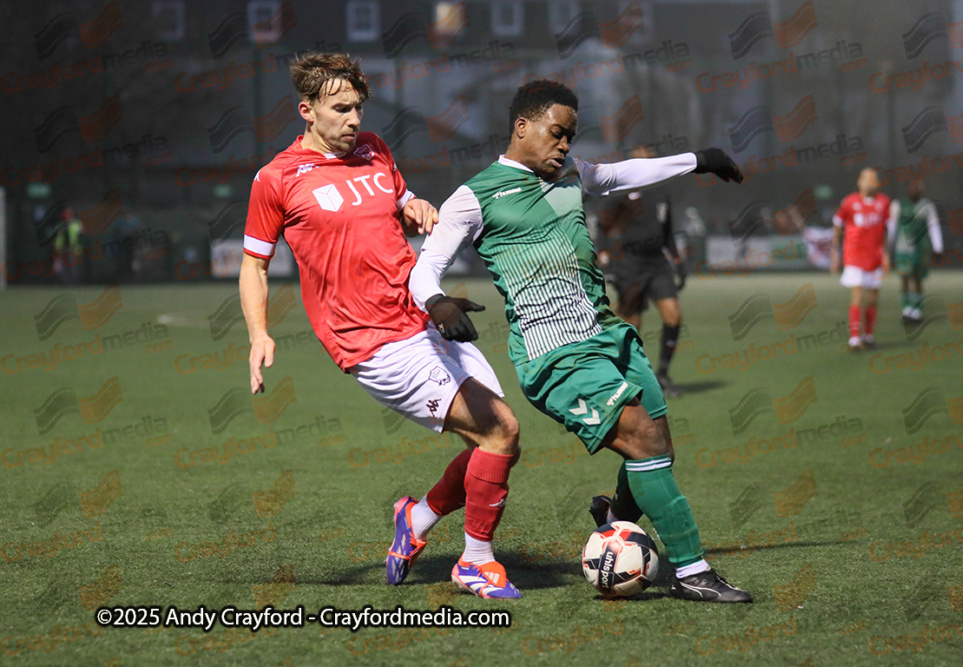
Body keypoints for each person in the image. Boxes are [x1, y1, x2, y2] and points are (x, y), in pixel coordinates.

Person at [410, 80, 753, 603]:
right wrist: (438, 303)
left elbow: (623, 173)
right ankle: (691, 571)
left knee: (658, 447)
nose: (565, 146)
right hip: (555, 353)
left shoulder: (571, 174)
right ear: (522, 127)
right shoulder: (473, 197)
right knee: (642, 440)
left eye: (571, 136)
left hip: (608, 335)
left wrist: (699, 159)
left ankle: (614, 519)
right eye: (557, 133)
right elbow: (424, 270)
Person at [239, 53, 522, 599]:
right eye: (340, 109)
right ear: (307, 111)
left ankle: (415, 520)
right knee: (499, 430)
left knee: (498, 441)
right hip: (371, 341)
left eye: (357, 108)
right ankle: (473, 563)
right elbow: (253, 264)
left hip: (423, 315)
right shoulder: (276, 179)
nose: (353, 119)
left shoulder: (374, 150)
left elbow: (399, 201)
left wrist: (416, 205)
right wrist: (259, 332)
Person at [595, 143, 686, 397]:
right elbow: (604, 226)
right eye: (641, 150)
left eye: (649, 150)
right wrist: (605, 259)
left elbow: (667, 230)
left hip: (657, 263)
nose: (646, 153)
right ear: (632, 154)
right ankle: (625, 378)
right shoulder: (622, 186)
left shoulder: (661, 189)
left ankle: (664, 375)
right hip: (629, 264)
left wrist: (678, 261)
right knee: (631, 326)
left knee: (673, 316)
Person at [830, 168, 891, 351]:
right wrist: (834, 250)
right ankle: (854, 339)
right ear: (859, 181)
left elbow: (886, 229)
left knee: (872, 299)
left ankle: (869, 336)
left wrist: (886, 253)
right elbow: (837, 224)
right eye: (866, 179)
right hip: (854, 256)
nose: (870, 183)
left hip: (874, 257)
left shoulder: (883, 202)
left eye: (874, 180)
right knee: (857, 296)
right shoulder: (849, 202)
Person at [887, 179, 944, 322]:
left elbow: (934, 227)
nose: (916, 190)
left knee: (918, 279)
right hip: (903, 248)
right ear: (908, 189)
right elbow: (892, 228)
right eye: (913, 187)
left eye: (918, 188)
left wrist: (938, 248)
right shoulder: (898, 205)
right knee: (905, 278)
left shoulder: (927, 206)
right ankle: (907, 309)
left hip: (921, 248)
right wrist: (888, 248)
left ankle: (917, 310)